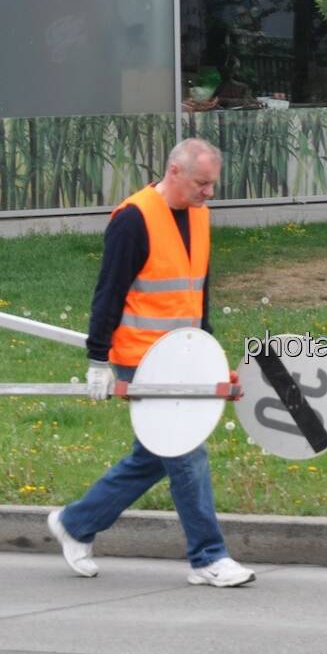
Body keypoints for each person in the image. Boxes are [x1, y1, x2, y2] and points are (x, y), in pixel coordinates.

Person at [46, 138, 255, 588]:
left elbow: (197, 291)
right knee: (185, 452)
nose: (209, 192)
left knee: (156, 456)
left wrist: (210, 356)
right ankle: (208, 557)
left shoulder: (200, 216)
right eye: (202, 183)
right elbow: (108, 293)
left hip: (184, 357)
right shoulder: (133, 220)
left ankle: (76, 523)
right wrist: (98, 359)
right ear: (174, 172)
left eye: (213, 183)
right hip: (141, 360)